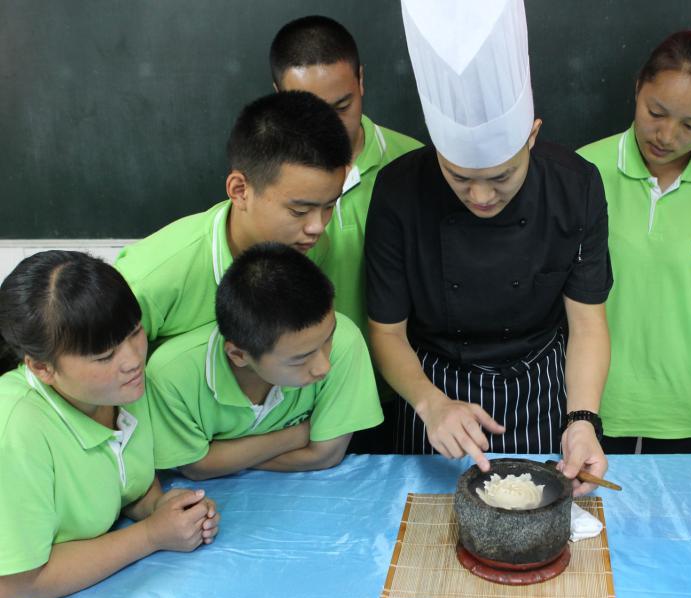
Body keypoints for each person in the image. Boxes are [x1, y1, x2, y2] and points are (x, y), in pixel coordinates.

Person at [366, 0, 610, 493]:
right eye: (458, 177)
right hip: (434, 392)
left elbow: (587, 323)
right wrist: (431, 404)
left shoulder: (575, 186)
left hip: (538, 391)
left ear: (532, 137)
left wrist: (582, 420)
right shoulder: (398, 191)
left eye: (501, 177)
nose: (480, 196)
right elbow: (386, 332)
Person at [0, 252, 219, 598]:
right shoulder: (15, 431)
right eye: (104, 356)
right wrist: (151, 535)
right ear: (42, 367)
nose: (133, 360)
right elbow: (17, 583)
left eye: (135, 332)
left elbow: (125, 485)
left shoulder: (120, 390)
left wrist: (163, 508)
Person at [578, 31, 691, 454]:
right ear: (637, 88)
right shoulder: (586, 168)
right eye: (655, 112)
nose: (666, 135)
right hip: (597, 396)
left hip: (688, 399)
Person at [269, 16, 423, 452]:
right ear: (279, 97)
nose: (328, 126)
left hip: (402, 394)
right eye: (307, 109)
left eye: (342, 106)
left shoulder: (415, 165)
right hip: (299, 399)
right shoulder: (264, 179)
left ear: (361, 81)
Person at [115, 91, 350, 344]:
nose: (317, 227)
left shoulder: (308, 246)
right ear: (239, 191)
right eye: (299, 211)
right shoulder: (150, 281)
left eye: (329, 206)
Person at [147, 243, 382, 479]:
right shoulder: (171, 375)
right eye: (300, 359)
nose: (324, 367)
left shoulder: (345, 340)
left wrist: (222, 457)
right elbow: (197, 468)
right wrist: (300, 433)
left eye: (328, 339)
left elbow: (325, 455)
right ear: (239, 355)